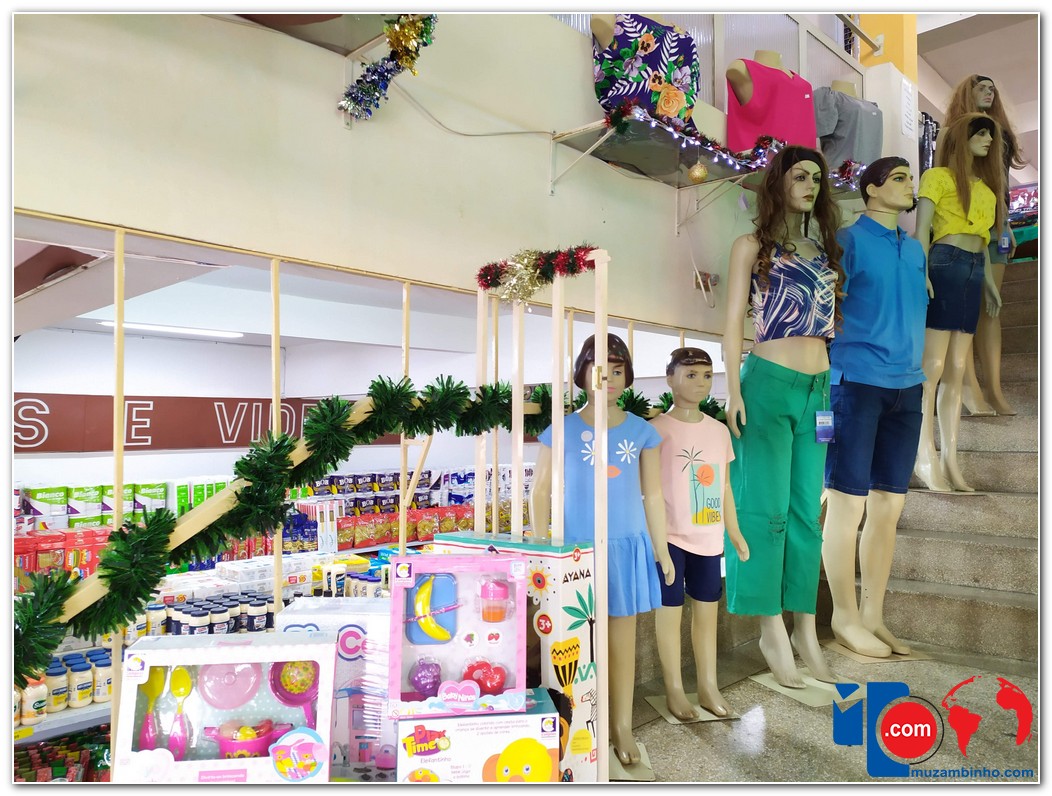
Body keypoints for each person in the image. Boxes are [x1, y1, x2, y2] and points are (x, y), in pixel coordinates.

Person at [722, 145, 843, 689]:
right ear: (778, 183)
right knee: (764, 508)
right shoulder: (752, 246)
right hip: (767, 384)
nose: (810, 184)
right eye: (799, 175)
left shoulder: (824, 250)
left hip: (818, 390)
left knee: (806, 512)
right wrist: (731, 389)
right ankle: (770, 625)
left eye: (816, 177)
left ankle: (805, 627)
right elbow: (733, 322)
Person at [529, 333, 674, 769]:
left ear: (627, 376)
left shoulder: (641, 432)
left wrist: (662, 550)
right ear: (581, 374)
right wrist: (540, 547)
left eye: (616, 370)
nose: (608, 378)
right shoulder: (562, 430)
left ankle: (622, 726)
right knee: (573, 646)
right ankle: (576, 726)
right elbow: (539, 491)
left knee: (622, 645)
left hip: (626, 548)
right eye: (598, 370)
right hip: (574, 554)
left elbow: (653, 495)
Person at [821, 157, 928, 659]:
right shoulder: (848, 241)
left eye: (910, 178)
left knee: (889, 506)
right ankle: (843, 615)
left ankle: (872, 615)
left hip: (908, 386)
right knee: (847, 503)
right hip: (855, 382)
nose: (910, 186)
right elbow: (824, 310)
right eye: (899, 178)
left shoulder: (915, 248)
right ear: (871, 190)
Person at [650, 347, 750, 719]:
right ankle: (674, 688)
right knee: (669, 613)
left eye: (707, 375)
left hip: (709, 537)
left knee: (707, 613)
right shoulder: (656, 431)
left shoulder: (719, 431)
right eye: (690, 374)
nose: (701, 383)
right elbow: (649, 490)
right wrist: (657, 544)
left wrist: (734, 531)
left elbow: (724, 486)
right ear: (670, 378)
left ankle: (708, 685)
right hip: (669, 538)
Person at [913, 113, 1005, 492]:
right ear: (961, 139)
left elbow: (982, 242)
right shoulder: (937, 178)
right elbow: (921, 230)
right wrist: (920, 272)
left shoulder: (987, 191)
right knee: (932, 366)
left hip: (972, 270)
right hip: (945, 263)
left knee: (956, 366)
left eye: (989, 135)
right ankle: (924, 453)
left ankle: (950, 458)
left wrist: (990, 284)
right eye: (980, 133)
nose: (987, 140)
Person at [944, 74, 1028, 416]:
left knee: (992, 308)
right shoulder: (955, 132)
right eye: (982, 87)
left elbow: (1000, 182)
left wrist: (1005, 222)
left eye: (992, 88)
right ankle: (969, 388)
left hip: (996, 225)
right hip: (963, 224)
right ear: (968, 92)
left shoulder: (999, 134)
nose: (989, 92)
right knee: (966, 308)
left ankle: (993, 388)